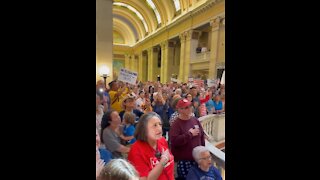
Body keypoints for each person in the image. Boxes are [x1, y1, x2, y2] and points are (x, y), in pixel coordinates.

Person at [128, 112, 175, 180]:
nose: (159, 128)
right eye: (155, 125)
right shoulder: (136, 150)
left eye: (160, 124)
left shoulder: (162, 140)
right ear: (144, 129)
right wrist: (162, 162)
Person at [170, 98, 205, 180]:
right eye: (186, 107)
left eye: (189, 106)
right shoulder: (176, 124)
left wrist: (203, 150)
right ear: (180, 110)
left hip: (198, 159)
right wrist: (189, 134)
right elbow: (174, 141)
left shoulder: (195, 120)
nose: (189, 108)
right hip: (185, 161)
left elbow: (202, 136)